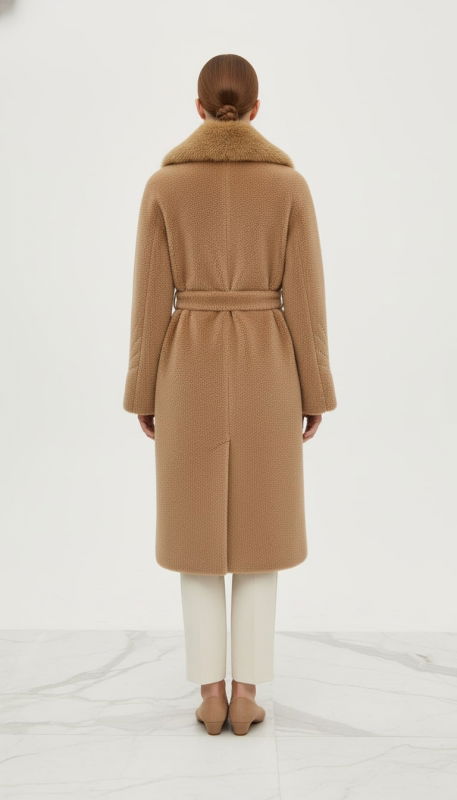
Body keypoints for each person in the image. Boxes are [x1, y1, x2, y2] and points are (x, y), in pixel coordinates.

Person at [123, 53, 337, 735]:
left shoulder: (164, 185)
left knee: (195, 540)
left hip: (186, 367)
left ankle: (209, 695)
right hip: (268, 368)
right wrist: (314, 389)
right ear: (255, 109)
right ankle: (247, 695)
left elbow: (149, 301)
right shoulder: (288, 186)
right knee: (260, 536)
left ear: (198, 108)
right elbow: (305, 299)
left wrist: (142, 390)